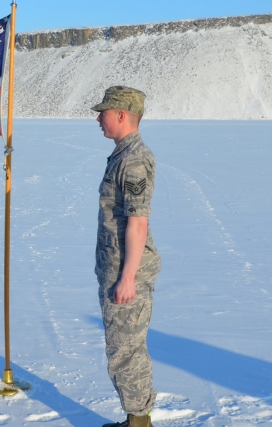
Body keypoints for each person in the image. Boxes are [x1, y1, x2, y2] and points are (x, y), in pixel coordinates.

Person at [92, 86, 161, 427]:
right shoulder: (123, 154)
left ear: (121, 114)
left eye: (103, 112)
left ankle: (139, 423)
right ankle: (136, 419)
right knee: (123, 348)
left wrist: (127, 278)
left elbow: (137, 222)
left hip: (125, 270)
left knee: (126, 351)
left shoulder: (133, 159)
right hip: (117, 267)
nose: (98, 118)